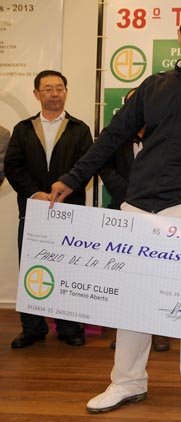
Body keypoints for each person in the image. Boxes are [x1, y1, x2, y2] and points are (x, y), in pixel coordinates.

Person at [49, 6, 181, 418]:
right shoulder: (152, 86)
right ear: (180, 34)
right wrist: (71, 178)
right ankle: (127, 382)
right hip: (138, 207)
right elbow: (112, 137)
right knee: (132, 303)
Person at [4, 70, 92, 349]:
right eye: (48, 89)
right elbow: (13, 166)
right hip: (33, 209)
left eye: (60, 88)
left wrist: (65, 188)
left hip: (70, 209)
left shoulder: (79, 129)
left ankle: (68, 326)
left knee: (68, 268)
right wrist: (34, 193)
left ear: (66, 91)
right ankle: (32, 327)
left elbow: (86, 166)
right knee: (32, 268)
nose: (55, 93)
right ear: (36, 94)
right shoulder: (23, 129)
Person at [99, 88, 170, 353]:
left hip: (160, 217)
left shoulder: (166, 137)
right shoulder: (116, 137)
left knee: (159, 279)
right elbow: (104, 166)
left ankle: (159, 332)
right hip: (123, 212)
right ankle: (126, 333)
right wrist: (130, 195)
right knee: (126, 280)